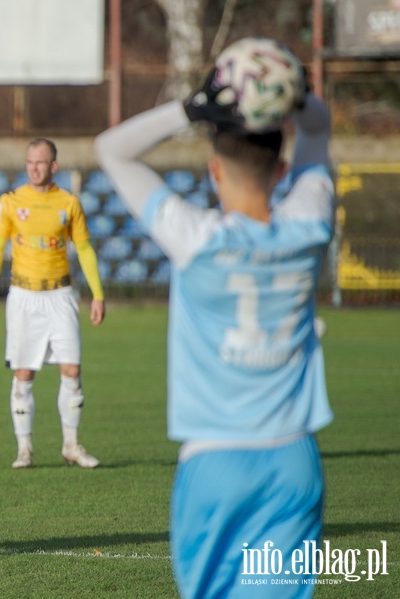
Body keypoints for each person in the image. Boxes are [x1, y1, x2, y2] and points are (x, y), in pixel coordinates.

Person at [94, 43, 334, 596]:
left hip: (216, 461)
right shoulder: (309, 227)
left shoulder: (195, 240)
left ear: (212, 170)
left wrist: (192, 108)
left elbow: (113, 150)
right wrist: (292, 93)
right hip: (294, 460)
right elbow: (318, 133)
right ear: (281, 170)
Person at [0, 138, 106, 469]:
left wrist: (98, 293)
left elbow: (85, 249)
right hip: (23, 295)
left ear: (54, 166)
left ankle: (72, 445)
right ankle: (24, 449)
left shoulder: (69, 203)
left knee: (72, 370)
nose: (34, 168)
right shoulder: (10, 202)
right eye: (29, 162)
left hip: (61, 295)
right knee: (24, 373)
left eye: (41, 162)